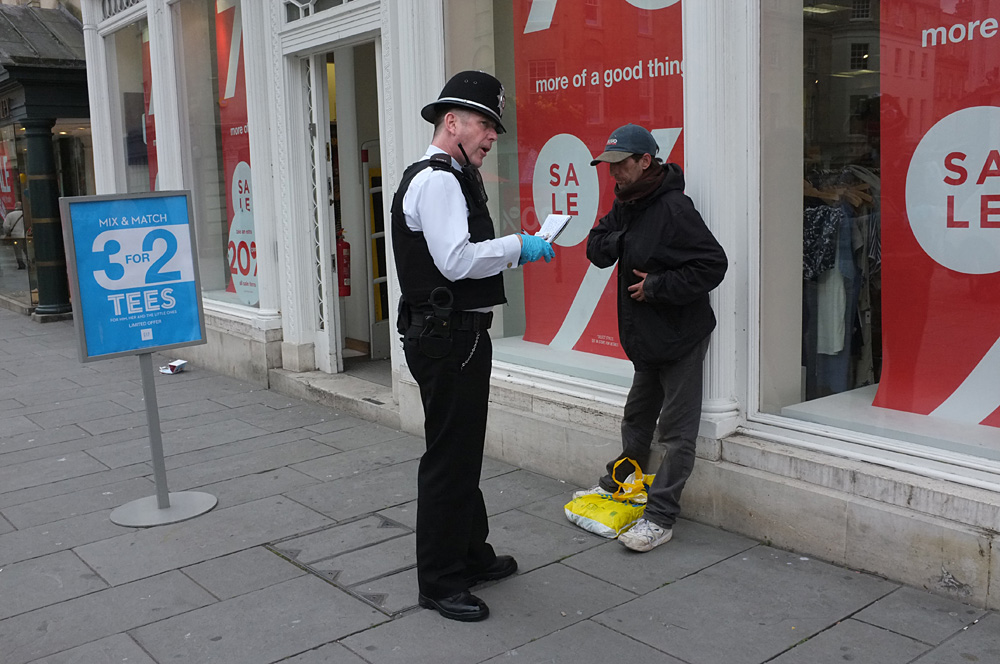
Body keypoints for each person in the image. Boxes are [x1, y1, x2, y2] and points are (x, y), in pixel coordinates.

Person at [391, 70, 555, 622]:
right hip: (447, 337)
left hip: (452, 335)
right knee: (449, 459)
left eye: (493, 127)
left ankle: (470, 554)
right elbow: (456, 259)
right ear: (452, 122)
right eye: (485, 124)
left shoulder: (454, 174)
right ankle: (439, 581)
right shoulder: (437, 179)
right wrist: (519, 246)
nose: (491, 136)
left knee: (460, 453)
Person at [578, 123, 727, 552]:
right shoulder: (626, 204)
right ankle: (620, 482)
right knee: (637, 417)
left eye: (619, 165)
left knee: (677, 432)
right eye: (608, 166)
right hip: (645, 338)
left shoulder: (675, 208)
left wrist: (658, 286)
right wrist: (621, 238)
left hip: (680, 337)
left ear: (646, 161)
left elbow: (712, 265)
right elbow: (596, 247)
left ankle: (661, 516)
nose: (613, 174)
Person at [3, 203, 26, 269]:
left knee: (17, 250)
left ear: (15, 206)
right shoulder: (26, 214)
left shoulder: (10, 215)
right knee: (26, 249)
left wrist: (8, 233)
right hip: (25, 235)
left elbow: (6, 226)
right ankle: (30, 261)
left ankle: (20, 263)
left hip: (16, 235)